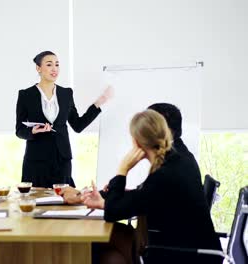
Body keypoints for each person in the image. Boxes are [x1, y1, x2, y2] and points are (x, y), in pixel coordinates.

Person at [82, 109, 222, 263]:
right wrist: (105, 201)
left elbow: (113, 213)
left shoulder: (165, 174)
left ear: (136, 142)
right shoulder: (177, 161)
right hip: (185, 246)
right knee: (114, 239)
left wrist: (123, 169)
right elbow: (144, 196)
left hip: (185, 254)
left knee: (99, 251)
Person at [61, 102, 197, 203]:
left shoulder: (170, 169)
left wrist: (123, 169)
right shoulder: (177, 156)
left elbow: (117, 209)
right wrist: (85, 194)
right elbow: (140, 196)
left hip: (169, 241)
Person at [15, 50, 111, 188]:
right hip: (36, 160)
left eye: (57, 64)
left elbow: (78, 125)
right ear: (38, 68)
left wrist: (100, 102)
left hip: (62, 159)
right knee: (36, 200)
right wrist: (33, 132)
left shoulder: (66, 93)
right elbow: (19, 130)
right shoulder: (26, 95)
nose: (54, 69)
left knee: (63, 200)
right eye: (49, 64)